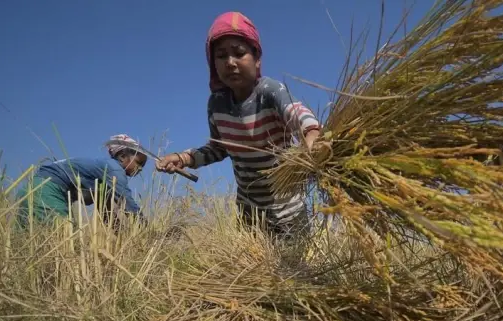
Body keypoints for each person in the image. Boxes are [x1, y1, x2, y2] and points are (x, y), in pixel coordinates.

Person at [156, 11, 326, 241]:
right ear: (212, 63)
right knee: (254, 273)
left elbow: (295, 112)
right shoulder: (217, 104)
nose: (230, 62)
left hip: (288, 209)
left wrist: (311, 131)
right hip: (250, 212)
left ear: (257, 59)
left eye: (239, 53)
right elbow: (218, 148)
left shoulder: (270, 91)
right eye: (221, 56)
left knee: (294, 273)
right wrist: (183, 158)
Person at [17, 134, 147, 229]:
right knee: (64, 243)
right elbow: (126, 202)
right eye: (138, 163)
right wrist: (146, 227)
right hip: (47, 192)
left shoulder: (103, 177)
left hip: (33, 189)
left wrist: (123, 235)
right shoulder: (114, 169)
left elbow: (106, 214)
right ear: (123, 156)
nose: (140, 168)